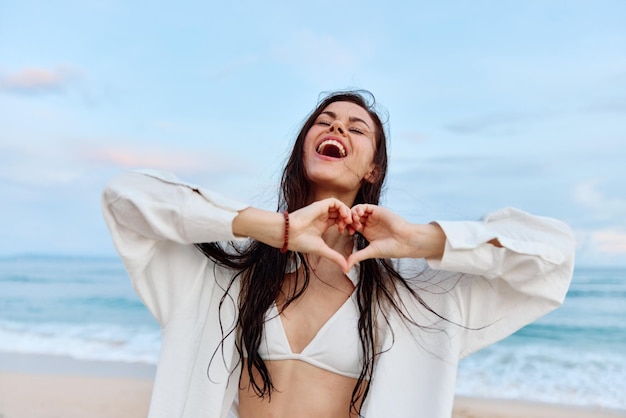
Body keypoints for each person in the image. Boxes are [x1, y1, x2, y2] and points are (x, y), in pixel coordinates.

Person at [102, 90, 575, 418]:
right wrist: (275, 229)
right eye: (324, 123)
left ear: (374, 167)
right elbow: (125, 198)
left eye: (356, 128)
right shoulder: (229, 277)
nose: (337, 129)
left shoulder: (411, 297)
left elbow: (551, 260)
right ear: (304, 146)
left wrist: (423, 241)